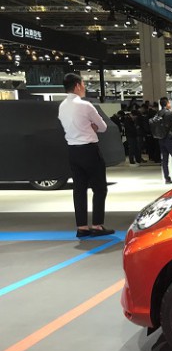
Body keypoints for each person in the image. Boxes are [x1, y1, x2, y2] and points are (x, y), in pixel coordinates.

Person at [56, 73, 114, 238]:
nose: (84, 87)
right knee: (99, 188)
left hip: (73, 151)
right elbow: (103, 127)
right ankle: (97, 225)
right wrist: (92, 126)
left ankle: (82, 227)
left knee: (79, 189)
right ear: (77, 86)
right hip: (89, 149)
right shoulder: (85, 105)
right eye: (83, 84)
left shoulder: (62, 106)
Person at [151, 97, 172, 184]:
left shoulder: (157, 114)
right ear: (167, 104)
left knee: (165, 160)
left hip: (161, 139)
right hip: (170, 139)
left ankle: (167, 178)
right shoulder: (170, 113)